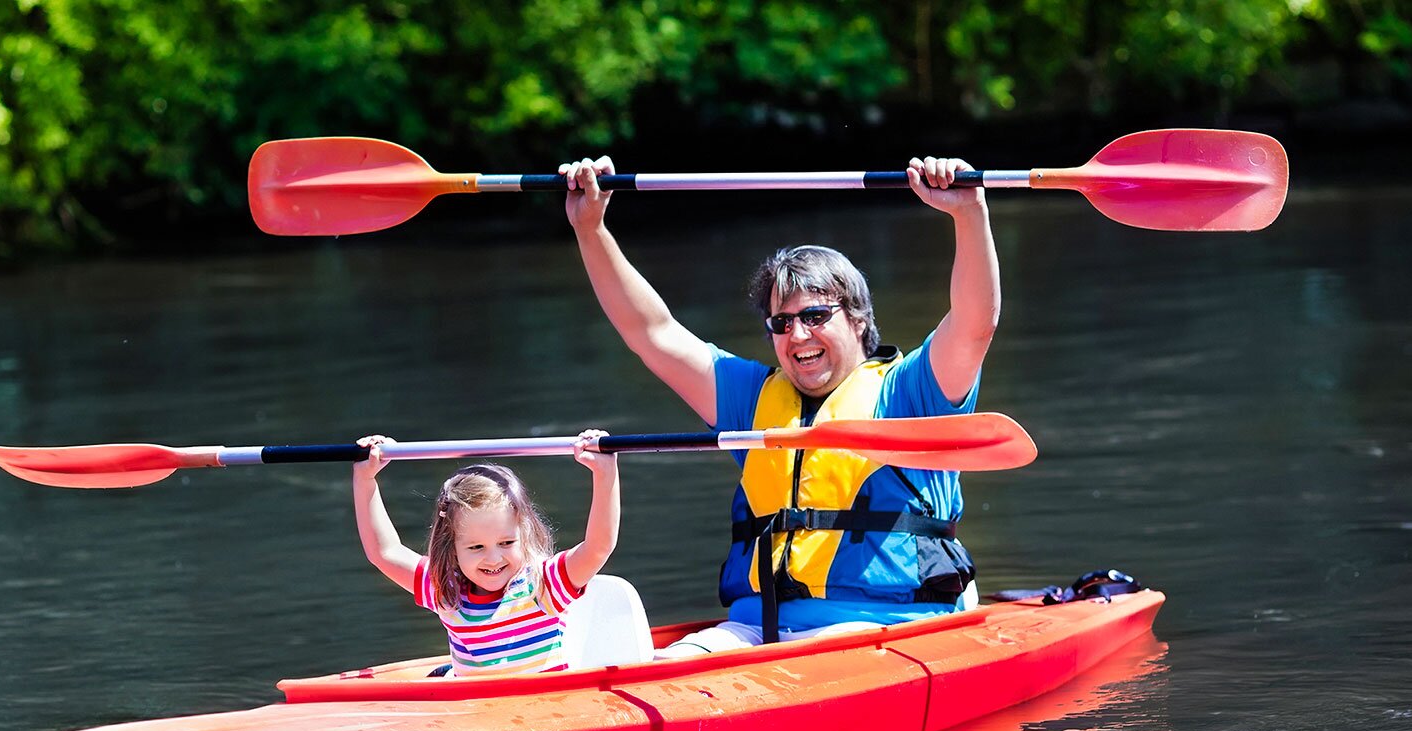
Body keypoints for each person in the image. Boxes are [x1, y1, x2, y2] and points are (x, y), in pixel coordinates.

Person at [559, 153, 999, 655]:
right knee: (665, 666)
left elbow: (974, 325)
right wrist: (590, 229)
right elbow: (651, 333)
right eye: (781, 323)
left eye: (814, 315)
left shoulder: (911, 392)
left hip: (884, 627)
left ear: (856, 319)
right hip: (755, 629)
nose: (798, 334)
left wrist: (969, 213)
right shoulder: (750, 399)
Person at [352, 430, 622, 676]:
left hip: (548, 711)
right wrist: (365, 478)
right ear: (452, 547)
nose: (493, 559)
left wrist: (605, 472)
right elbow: (384, 552)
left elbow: (598, 547)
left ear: (523, 535)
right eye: (476, 547)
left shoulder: (544, 585)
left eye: (506, 543)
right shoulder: (446, 591)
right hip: (475, 714)